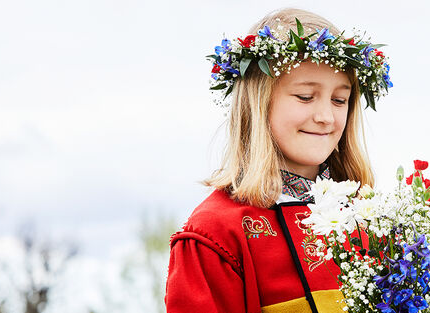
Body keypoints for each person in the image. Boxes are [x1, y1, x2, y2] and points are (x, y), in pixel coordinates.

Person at [164, 7, 392, 313]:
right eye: (305, 97)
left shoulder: (370, 224)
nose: (325, 117)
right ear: (260, 101)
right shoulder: (215, 233)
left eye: (339, 100)